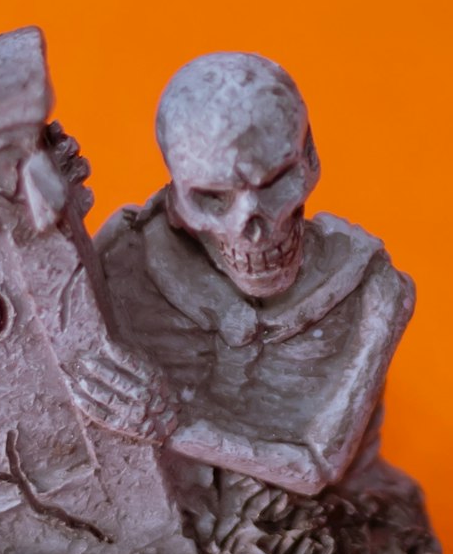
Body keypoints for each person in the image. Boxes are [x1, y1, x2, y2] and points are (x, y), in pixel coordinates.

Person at [69, 52, 413, 504]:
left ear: (309, 158)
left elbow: (318, 465)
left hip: (303, 520)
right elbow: (62, 357)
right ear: (177, 193)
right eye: (213, 197)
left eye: (277, 182)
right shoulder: (128, 250)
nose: (253, 227)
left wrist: (173, 427)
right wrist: (55, 214)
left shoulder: (374, 291)